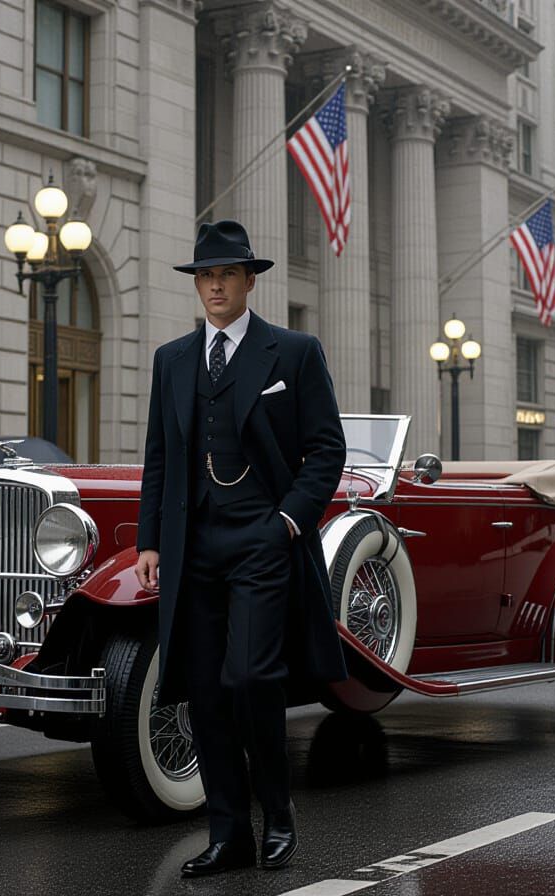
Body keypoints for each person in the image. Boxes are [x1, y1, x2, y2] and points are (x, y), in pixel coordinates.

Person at [134, 220, 347, 878]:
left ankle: (277, 816)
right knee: (204, 692)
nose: (215, 285)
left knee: (251, 678)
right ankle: (228, 836)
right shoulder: (171, 360)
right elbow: (159, 457)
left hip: (262, 537)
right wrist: (149, 541)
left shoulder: (294, 353)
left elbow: (327, 450)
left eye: (226, 274)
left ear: (250, 281)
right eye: (205, 275)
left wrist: (287, 521)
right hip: (192, 544)